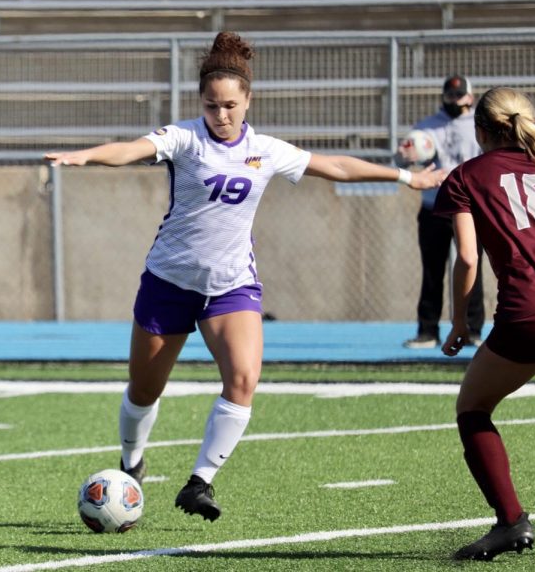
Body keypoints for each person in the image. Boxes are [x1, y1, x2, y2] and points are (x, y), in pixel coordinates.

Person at [44, 31, 445, 522]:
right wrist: (86, 156)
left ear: (248, 99)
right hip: (169, 281)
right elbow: (131, 148)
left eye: (231, 105)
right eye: (213, 106)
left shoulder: (266, 150)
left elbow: (336, 165)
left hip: (231, 284)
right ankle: (132, 462)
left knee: (243, 378)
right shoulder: (184, 138)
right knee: (144, 389)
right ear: (201, 103)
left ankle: (199, 482)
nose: (222, 115)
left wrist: (409, 178)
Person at [435, 87, 535, 561]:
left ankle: (510, 522)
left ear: (479, 132)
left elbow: (466, 257)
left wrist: (459, 320)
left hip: (533, 310)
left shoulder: (466, 176)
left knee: (474, 405)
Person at [403, 75, 485, 349]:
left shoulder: (479, 127)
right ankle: (427, 331)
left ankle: (473, 329)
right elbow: (404, 157)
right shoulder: (426, 128)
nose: (454, 100)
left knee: (471, 265)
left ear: (470, 97)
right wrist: (406, 157)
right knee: (432, 270)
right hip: (434, 207)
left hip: (469, 208)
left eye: (459, 95)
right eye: (450, 96)